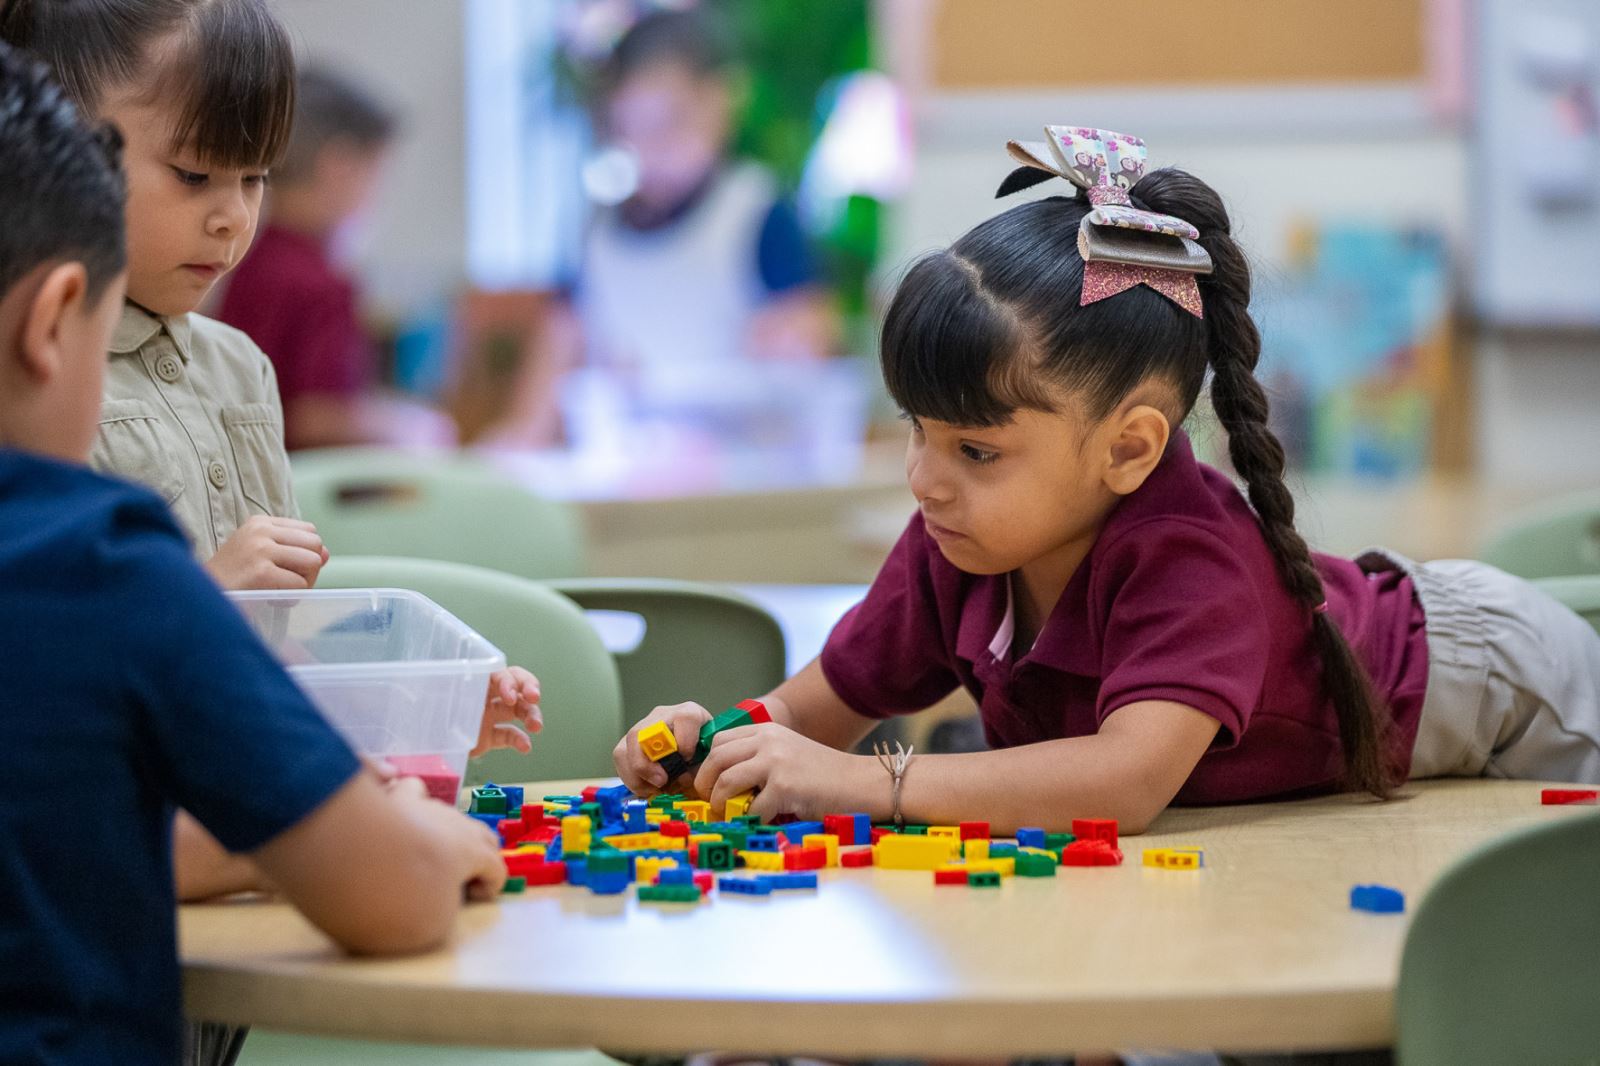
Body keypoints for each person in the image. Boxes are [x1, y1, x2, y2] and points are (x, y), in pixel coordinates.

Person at [613, 126, 1600, 833]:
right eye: (917, 429)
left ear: (1128, 448)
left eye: (975, 449)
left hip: (1497, 682)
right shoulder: (954, 538)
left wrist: (874, 786)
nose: (924, 479)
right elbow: (814, 707)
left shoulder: (1187, 553)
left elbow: (1123, 781)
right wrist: (722, 738)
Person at [0, 41, 507, 1066]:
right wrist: (397, 830)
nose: (232, 215)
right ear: (58, 321)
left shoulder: (228, 378)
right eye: (113, 348)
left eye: (254, 176)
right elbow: (396, 894)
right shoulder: (104, 568)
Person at [487, 7, 839, 446]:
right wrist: (517, 443)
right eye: (634, 129)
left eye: (671, 121)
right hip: (627, 464)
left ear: (720, 101)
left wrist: (792, 342)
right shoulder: (596, 235)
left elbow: (810, 333)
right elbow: (555, 360)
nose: (655, 147)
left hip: (734, 463)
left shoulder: (756, 212)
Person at [218, 65, 457, 451]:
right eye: (375, 174)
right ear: (339, 167)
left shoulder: (250, 262)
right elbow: (312, 416)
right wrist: (403, 426)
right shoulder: (322, 282)